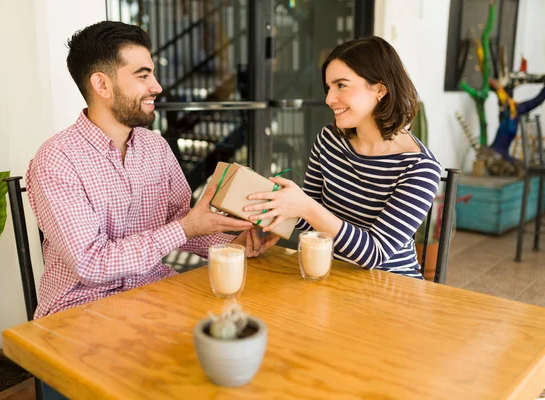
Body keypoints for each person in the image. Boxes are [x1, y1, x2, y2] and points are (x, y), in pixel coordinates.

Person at [26, 20, 280, 323]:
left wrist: (232, 244)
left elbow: (179, 224)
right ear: (102, 84)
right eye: (142, 75)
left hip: (155, 293)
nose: (156, 87)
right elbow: (90, 264)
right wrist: (185, 227)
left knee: (253, 323)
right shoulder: (57, 159)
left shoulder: (154, 147)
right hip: (81, 309)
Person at [244, 36, 441, 279]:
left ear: (380, 89)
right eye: (329, 87)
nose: (329, 99)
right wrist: (279, 218)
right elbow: (311, 219)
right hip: (326, 272)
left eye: (341, 85)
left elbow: (374, 253)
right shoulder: (329, 139)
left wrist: (304, 206)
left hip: (390, 284)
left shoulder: (420, 167)